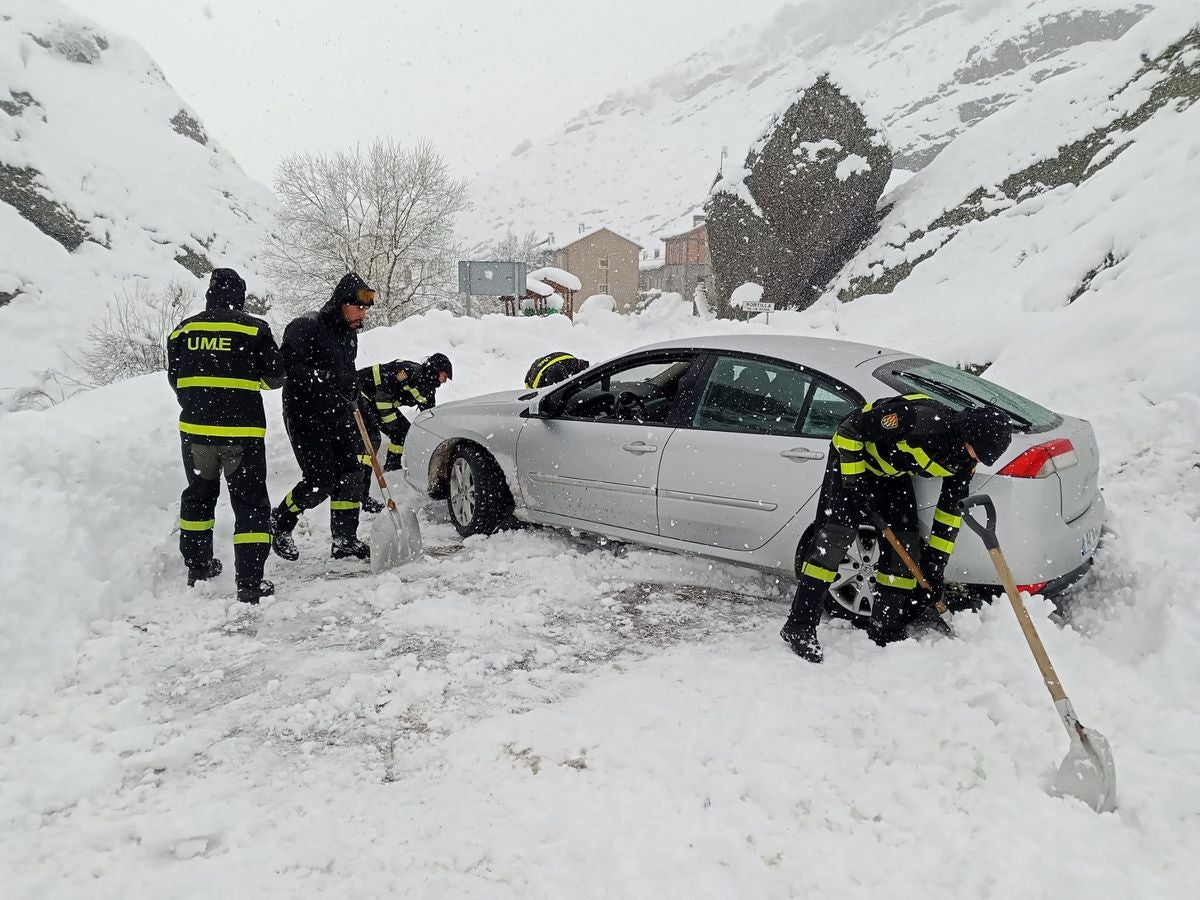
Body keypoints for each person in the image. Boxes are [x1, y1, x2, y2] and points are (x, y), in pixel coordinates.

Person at [780, 394, 1013, 662]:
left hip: (891, 473)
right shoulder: (918, 420)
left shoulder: (963, 461)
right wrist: (855, 482)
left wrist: (935, 564)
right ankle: (799, 625)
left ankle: (886, 627)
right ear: (966, 435)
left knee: (903, 544)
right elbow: (849, 431)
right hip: (851, 461)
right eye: (977, 451)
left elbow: (949, 512)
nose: (977, 461)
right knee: (834, 540)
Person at [166, 268, 284, 604]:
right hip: (241, 435)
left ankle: (198, 566)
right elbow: (276, 377)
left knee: (199, 496)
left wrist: (200, 402)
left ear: (210, 294)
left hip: (196, 434)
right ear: (240, 297)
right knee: (250, 504)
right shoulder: (253, 328)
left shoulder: (183, 330)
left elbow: (176, 379)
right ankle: (249, 582)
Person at [271, 272, 375, 561]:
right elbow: (286, 367)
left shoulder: (349, 335)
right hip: (305, 415)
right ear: (342, 303)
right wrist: (326, 378)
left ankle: (344, 539)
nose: (362, 314)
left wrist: (352, 388)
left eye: (366, 309)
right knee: (320, 480)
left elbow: (346, 373)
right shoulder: (306, 327)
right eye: (359, 307)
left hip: (338, 414)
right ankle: (279, 523)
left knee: (351, 473)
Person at [355, 353, 452, 511]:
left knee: (403, 435)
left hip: (379, 402)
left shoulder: (428, 389)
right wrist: (391, 423)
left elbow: (429, 417)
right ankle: (361, 495)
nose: (445, 380)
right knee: (372, 439)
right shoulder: (408, 371)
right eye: (444, 375)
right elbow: (382, 396)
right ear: (435, 370)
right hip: (362, 393)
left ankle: (392, 472)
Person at [524, 351, 590, 390]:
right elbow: (556, 369)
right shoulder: (571, 363)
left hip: (534, 377)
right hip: (538, 381)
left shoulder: (567, 357)